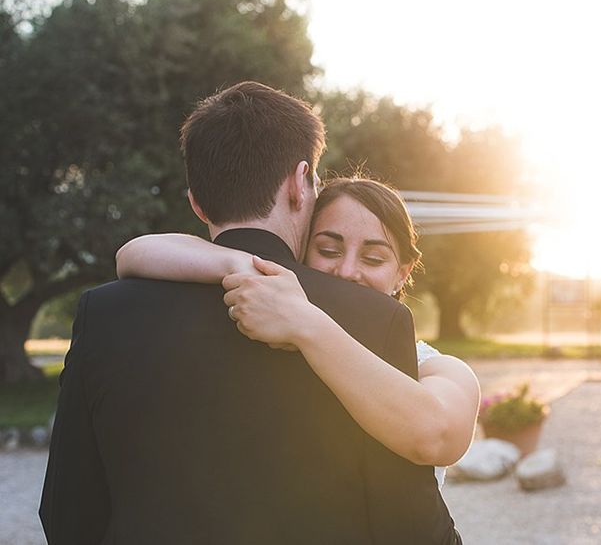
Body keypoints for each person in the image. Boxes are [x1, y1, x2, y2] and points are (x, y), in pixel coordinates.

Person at [40, 81, 461, 544]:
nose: (347, 270)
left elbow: (67, 510)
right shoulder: (373, 319)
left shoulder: (103, 311)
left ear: (196, 202)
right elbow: (406, 522)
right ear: (301, 184)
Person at [115, 177, 481, 488]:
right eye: (328, 249)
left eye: (373, 258)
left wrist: (307, 324)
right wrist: (243, 265)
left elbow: (436, 437)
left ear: (403, 272)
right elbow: (133, 253)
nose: (347, 271)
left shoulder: (436, 368)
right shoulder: (266, 340)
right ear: (300, 253)